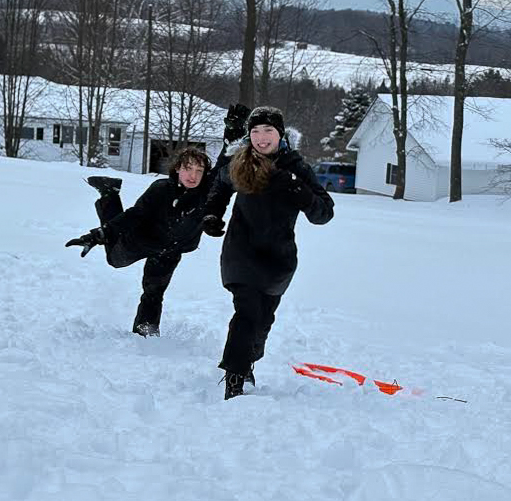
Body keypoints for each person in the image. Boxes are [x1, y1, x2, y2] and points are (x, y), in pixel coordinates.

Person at [203, 105, 335, 399]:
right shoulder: (241, 162)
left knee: (262, 322)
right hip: (240, 252)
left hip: (278, 259)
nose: (262, 138)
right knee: (247, 313)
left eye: (268, 131)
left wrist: (295, 187)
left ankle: (248, 361)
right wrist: (212, 215)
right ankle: (234, 381)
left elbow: (323, 213)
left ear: (280, 134)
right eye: (255, 132)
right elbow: (220, 186)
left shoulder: (295, 167)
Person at [65, 145, 215, 337]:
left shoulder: (208, 195)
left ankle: (146, 331)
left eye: (199, 171)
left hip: (170, 250)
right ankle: (109, 194)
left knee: (154, 291)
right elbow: (134, 215)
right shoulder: (160, 189)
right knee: (114, 261)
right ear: (177, 168)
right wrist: (99, 235)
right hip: (141, 239)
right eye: (188, 168)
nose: (192, 175)